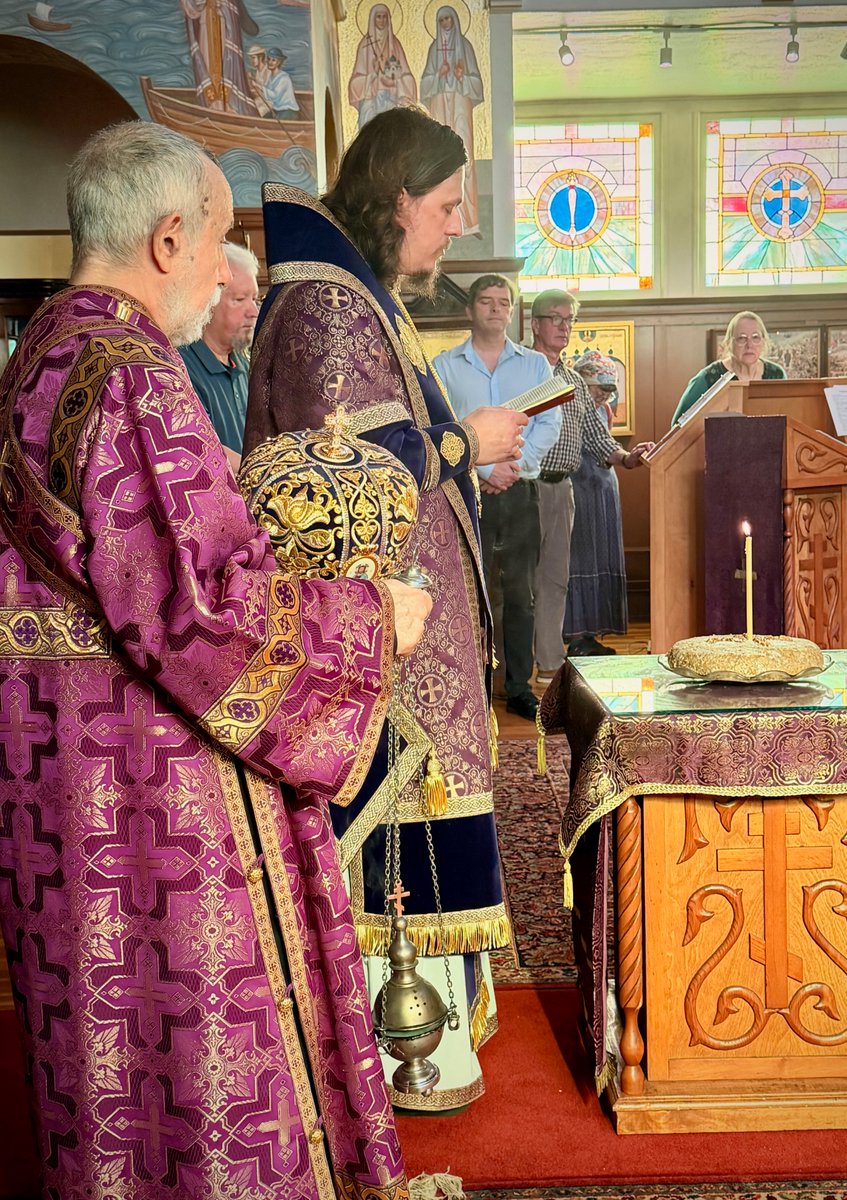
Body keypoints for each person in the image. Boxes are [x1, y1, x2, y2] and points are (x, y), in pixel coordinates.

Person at [0, 120, 433, 1198]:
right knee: (207, 1051)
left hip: (64, 785)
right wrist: (376, 617)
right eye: (217, 239)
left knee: (114, 1052)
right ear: (166, 239)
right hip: (163, 794)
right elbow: (209, 617)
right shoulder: (131, 372)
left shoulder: (35, 356)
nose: (217, 269)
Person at [243, 107, 527, 1111]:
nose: (458, 226)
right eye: (447, 206)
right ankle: (398, 1054)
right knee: (396, 837)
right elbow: (340, 483)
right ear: (397, 195)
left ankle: (425, 1041)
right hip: (383, 657)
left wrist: (465, 463)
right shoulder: (329, 307)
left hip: (412, 642)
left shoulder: (360, 297)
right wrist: (461, 443)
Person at [433, 274, 559, 721]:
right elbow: (442, 427)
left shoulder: (535, 367)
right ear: (470, 310)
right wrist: (484, 467)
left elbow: (548, 426)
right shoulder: (443, 367)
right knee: (472, 591)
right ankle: (475, 684)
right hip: (468, 492)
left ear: (512, 310)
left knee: (521, 593)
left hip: (521, 493)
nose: (495, 309)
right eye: (485, 301)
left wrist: (512, 469)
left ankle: (520, 686)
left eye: (503, 302)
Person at [530, 290, 641, 685]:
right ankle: (504, 677)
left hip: (561, 491)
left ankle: (549, 665)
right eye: (555, 319)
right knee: (514, 584)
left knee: (555, 581)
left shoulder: (575, 381)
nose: (563, 327)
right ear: (535, 324)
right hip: (521, 489)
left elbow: (598, 440)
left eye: (569, 320)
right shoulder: (520, 370)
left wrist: (628, 457)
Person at [566, 351, 653, 655]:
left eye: (609, 388)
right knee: (580, 560)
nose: (603, 394)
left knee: (601, 560)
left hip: (602, 491)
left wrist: (630, 458)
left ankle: (590, 634)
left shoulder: (603, 411)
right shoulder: (568, 407)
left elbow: (608, 448)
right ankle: (575, 635)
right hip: (578, 489)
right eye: (597, 386)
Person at [180, 240, 259, 471]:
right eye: (239, 299)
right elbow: (201, 451)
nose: (253, 311)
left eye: (254, 299)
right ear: (207, 301)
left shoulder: (244, 362)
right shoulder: (181, 368)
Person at [419, 6, 484, 236]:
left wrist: (460, 76)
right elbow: (424, 87)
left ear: (455, 20)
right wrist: (439, 74)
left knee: (465, 157)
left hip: (459, 104)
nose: (445, 23)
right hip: (439, 104)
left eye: (448, 18)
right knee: (439, 160)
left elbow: (477, 85)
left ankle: (469, 221)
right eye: (442, 19)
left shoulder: (465, 46)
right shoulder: (433, 49)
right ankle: (439, 224)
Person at [672, 310, 786, 424]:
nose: (749, 345)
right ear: (729, 343)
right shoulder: (708, 378)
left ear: (763, 342)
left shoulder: (776, 374)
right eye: (742, 338)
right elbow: (678, 426)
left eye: (755, 337)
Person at [181, 0, 258, 115]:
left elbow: (251, 29)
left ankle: (229, 104)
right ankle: (213, 104)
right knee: (207, 66)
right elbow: (192, 8)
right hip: (206, 25)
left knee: (227, 65)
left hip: (224, 26)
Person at [348, 3, 417, 129]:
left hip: (391, 101)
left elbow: (407, 77)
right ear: (372, 19)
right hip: (371, 103)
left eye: (384, 17)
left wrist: (395, 78)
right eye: (378, 17)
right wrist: (373, 75)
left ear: (389, 19)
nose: (382, 20)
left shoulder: (395, 45)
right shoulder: (365, 46)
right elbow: (354, 83)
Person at [259, 47, 300, 119]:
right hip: (277, 110)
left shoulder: (284, 78)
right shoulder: (271, 77)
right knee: (262, 119)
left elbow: (275, 96)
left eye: (273, 60)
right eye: (268, 59)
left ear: (279, 62)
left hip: (288, 111)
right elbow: (267, 94)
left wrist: (259, 87)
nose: (270, 62)